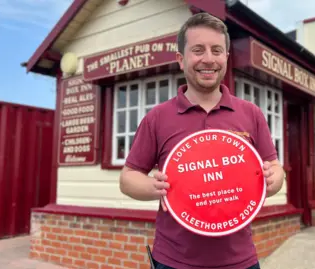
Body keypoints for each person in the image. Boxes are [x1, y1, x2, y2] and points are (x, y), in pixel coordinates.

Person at [119, 12, 284, 269]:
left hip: (240, 261)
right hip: (173, 261)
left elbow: (274, 166)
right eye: (198, 50)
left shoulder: (250, 113)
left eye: (217, 50)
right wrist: (152, 187)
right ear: (181, 60)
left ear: (226, 58)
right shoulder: (158, 117)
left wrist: (272, 180)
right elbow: (128, 177)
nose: (208, 59)